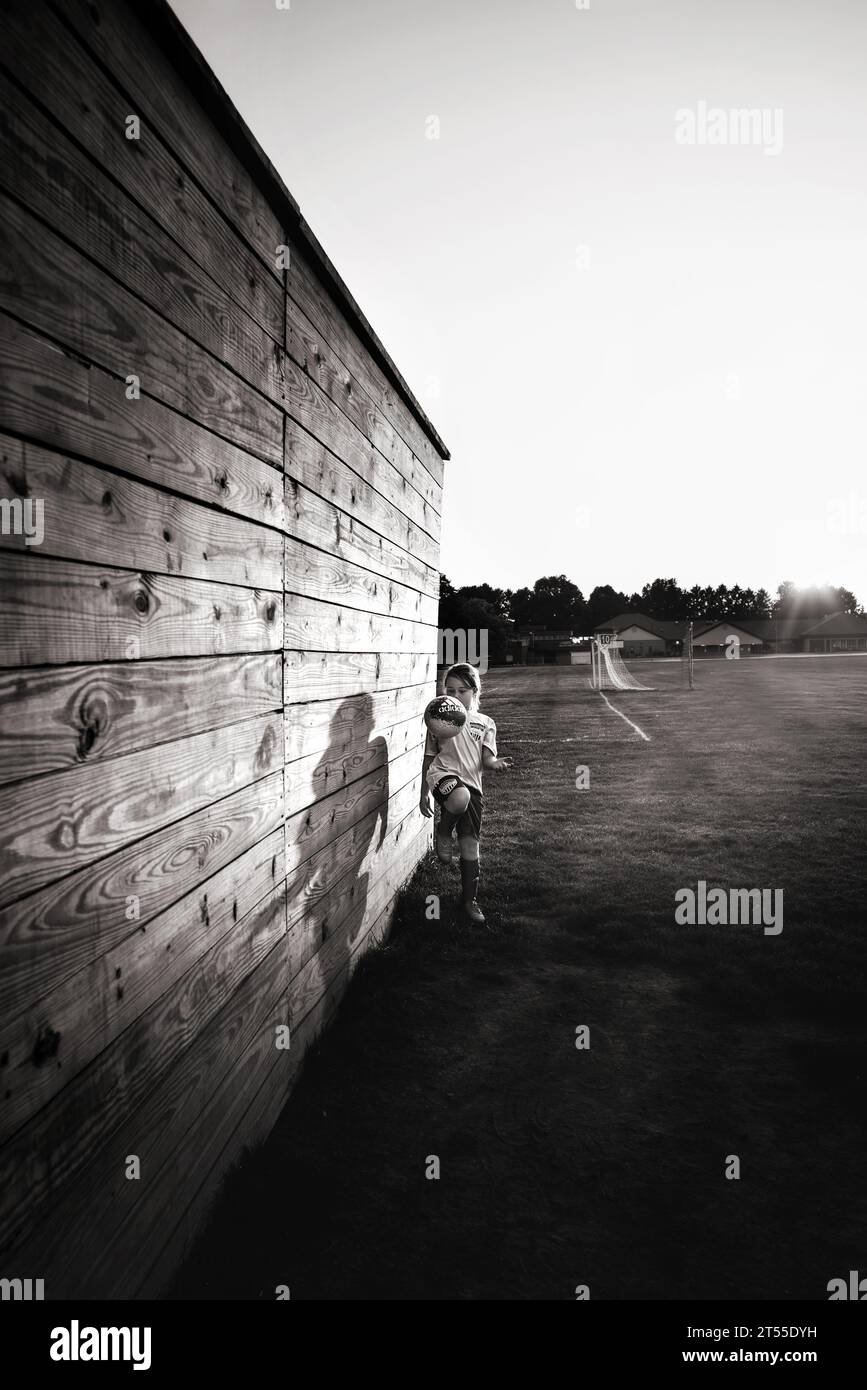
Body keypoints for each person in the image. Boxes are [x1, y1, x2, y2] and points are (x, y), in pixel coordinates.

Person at [419, 662, 512, 924]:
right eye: (449, 690)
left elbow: (486, 759)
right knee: (459, 797)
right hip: (443, 777)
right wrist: (423, 794)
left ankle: (469, 901)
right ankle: (444, 831)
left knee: (471, 847)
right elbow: (429, 759)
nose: (455, 696)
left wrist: (495, 764)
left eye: (462, 691)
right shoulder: (438, 720)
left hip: (473, 786)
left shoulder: (485, 723)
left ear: (475, 692)